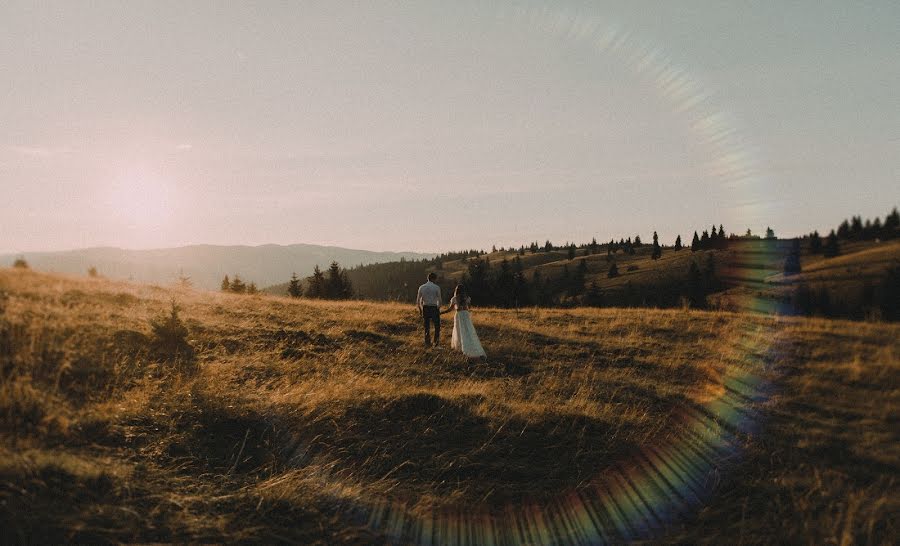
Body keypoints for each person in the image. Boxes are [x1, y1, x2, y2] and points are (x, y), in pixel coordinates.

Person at [443, 284, 486, 358]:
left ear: (456, 290)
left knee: (459, 330)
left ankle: (460, 347)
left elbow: (450, 309)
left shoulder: (454, 299)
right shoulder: (467, 298)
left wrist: (441, 312)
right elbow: (469, 307)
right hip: (466, 314)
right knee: (468, 330)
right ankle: (470, 346)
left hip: (459, 315)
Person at [416, 272, 442, 348]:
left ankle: (427, 343)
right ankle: (436, 343)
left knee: (426, 326)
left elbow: (418, 300)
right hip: (434, 307)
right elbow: (440, 300)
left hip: (425, 307)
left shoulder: (421, 287)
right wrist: (438, 308)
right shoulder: (436, 287)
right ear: (434, 279)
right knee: (437, 326)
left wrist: (420, 309)